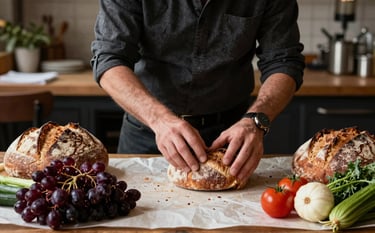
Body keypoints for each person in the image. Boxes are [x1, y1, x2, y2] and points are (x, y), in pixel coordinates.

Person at [91, 0, 305, 183]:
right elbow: (109, 58)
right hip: (149, 132)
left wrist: (256, 121)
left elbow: (284, 61)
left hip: (232, 137)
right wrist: (160, 120)